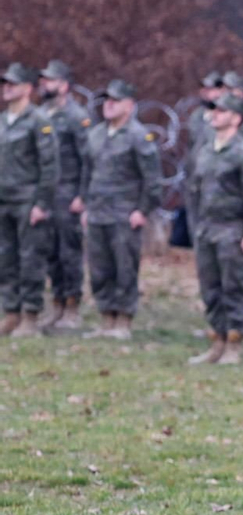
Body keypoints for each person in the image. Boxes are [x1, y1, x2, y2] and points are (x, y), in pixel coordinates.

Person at [187, 93, 243, 365]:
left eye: (221, 111)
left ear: (236, 118)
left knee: (233, 286)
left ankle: (234, 342)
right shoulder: (205, 149)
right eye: (214, 110)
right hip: (207, 228)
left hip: (232, 229)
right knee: (210, 288)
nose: (215, 115)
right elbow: (195, 189)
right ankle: (217, 340)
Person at [81, 80, 159, 339]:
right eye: (107, 100)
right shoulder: (96, 134)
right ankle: (106, 318)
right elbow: (88, 172)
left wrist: (142, 210)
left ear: (129, 105)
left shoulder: (138, 136)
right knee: (99, 268)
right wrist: (85, 204)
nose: (109, 105)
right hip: (98, 211)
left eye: (115, 101)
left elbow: (151, 179)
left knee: (124, 267)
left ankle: (123, 320)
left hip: (124, 213)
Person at [0, 63, 61, 338]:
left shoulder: (39, 121)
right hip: (3, 200)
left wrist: (42, 204)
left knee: (30, 259)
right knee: (5, 258)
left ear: (27, 88)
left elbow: (50, 166)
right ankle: (11, 312)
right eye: (5, 83)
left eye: (12, 84)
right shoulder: (3, 120)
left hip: (27, 201)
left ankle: (30, 315)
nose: (6, 88)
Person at [37, 59, 91, 332]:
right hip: (46, 193)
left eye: (51, 80)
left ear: (64, 85)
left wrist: (83, 195)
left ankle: (72, 306)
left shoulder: (76, 116)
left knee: (69, 252)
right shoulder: (40, 114)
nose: (45, 84)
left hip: (68, 192)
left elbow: (87, 159)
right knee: (50, 252)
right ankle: (56, 303)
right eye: (44, 80)